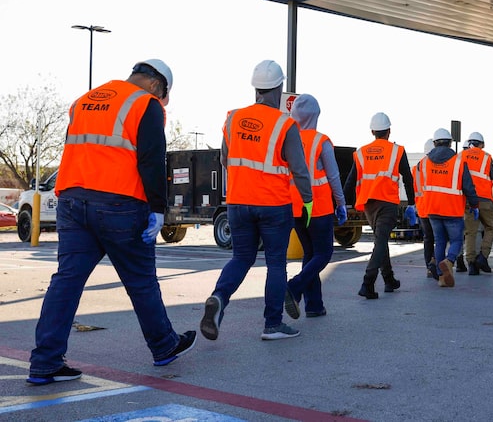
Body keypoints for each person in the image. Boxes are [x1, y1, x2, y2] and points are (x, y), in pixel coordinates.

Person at [28, 59, 196, 385]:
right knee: (140, 281)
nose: (161, 102)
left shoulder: (85, 101)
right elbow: (151, 159)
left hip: (73, 203)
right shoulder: (143, 104)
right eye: (163, 96)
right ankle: (163, 346)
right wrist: (158, 208)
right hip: (120, 204)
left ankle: (45, 362)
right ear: (154, 85)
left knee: (66, 281)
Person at [200, 60, 313, 342]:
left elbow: (225, 159)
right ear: (280, 88)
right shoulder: (285, 125)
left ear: (255, 89)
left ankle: (219, 297)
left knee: (241, 258)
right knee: (276, 264)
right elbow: (299, 170)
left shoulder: (232, 118)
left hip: (237, 203)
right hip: (273, 204)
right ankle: (272, 325)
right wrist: (308, 202)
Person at [284, 94, 348, 320]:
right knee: (323, 253)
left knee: (310, 253)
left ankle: (314, 305)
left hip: (295, 208)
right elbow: (333, 176)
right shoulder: (321, 141)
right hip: (318, 207)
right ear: (316, 115)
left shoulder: (286, 139)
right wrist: (340, 203)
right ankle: (294, 286)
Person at [344, 112, 416, 299]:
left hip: (368, 204)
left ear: (372, 131)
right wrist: (412, 203)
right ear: (389, 131)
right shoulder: (397, 151)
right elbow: (408, 178)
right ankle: (368, 283)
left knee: (381, 239)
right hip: (387, 202)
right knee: (381, 241)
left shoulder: (361, 152)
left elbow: (351, 180)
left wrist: (342, 203)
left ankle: (389, 279)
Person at [421, 128, 479, 287]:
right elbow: (468, 186)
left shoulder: (424, 163)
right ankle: (450, 260)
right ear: (450, 143)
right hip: (452, 209)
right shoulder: (459, 162)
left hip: (432, 208)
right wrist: (474, 204)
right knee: (457, 240)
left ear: (434, 143)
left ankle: (441, 278)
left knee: (439, 242)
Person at [460, 132, 493, 276]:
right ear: (481, 144)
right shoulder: (487, 157)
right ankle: (483, 256)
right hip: (485, 199)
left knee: (470, 232)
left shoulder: (461, 156)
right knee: (491, 227)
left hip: (469, 200)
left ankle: (471, 264)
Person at [413, 137, 438, 280]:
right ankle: (435, 263)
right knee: (439, 238)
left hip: (422, 208)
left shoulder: (417, 167)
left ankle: (429, 266)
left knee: (428, 238)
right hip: (434, 206)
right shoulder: (435, 164)